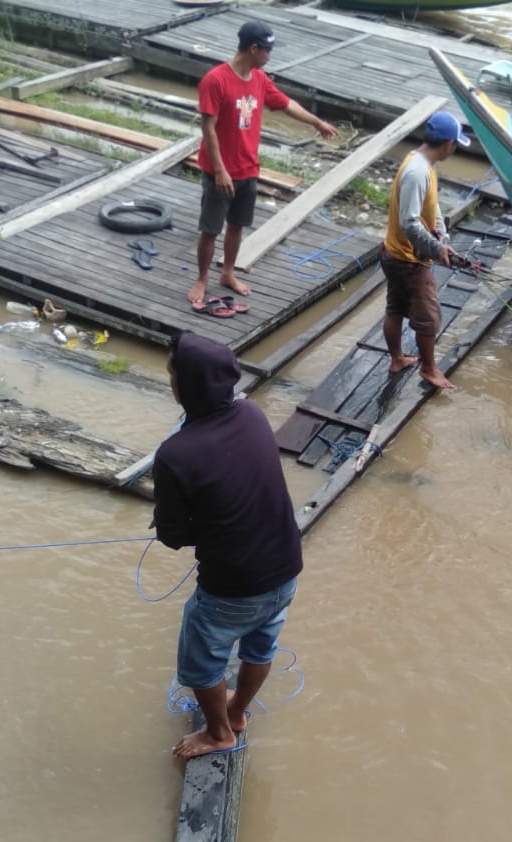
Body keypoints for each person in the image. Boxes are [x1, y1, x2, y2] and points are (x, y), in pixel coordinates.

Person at [152, 332, 304, 760]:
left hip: (232, 587)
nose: (170, 381)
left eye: (172, 374)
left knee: (200, 661)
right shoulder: (253, 414)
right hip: (286, 567)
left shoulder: (175, 454)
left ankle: (219, 732)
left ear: (187, 385)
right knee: (261, 645)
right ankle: (237, 711)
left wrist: (172, 518)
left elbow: (173, 537)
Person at [186, 19, 338, 312]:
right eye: (267, 50)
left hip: (248, 169)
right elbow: (208, 127)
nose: (270, 55)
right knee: (210, 229)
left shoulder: (259, 79)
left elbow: (286, 103)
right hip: (220, 170)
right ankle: (202, 279)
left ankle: (227, 272)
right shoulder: (215, 80)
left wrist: (317, 122)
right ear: (253, 48)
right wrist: (219, 169)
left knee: (237, 225)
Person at [379, 111, 470, 390]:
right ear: (447, 144)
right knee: (429, 318)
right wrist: (434, 248)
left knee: (395, 308)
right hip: (408, 259)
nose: (454, 149)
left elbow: (432, 208)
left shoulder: (422, 163)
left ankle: (397, 359)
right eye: (455, 144)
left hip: (394, 253)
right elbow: (409, 222)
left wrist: (441, 237)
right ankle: (429, 370)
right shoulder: (417, 172)